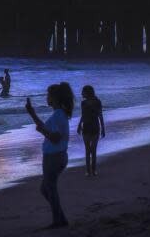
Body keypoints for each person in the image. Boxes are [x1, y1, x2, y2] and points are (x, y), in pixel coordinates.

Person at [25, 82, 74, 229]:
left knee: (49, 189)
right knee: (46, 189)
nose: (47, 97)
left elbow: (55, 138)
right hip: (56, 155)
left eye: (48, 95)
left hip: (54, 156)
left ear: (54, 98)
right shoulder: (58, 114)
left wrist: (42, 132)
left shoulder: (59, 114)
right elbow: (45, 128)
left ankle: (57, 221)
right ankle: (61, 219)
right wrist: (32, 113)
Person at [77, 85, 105, 176]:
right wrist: (79, 125)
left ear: (87, 92)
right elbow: (83, 115)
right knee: (88, 149)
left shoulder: (97, 102)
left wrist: (103, 128)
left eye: (83, 92)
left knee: (93, 150)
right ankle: (88, 171)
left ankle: (93, 170)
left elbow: (100, 115)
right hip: (86, 127)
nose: (81, 93)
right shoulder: (83, 103)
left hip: (95, 127)